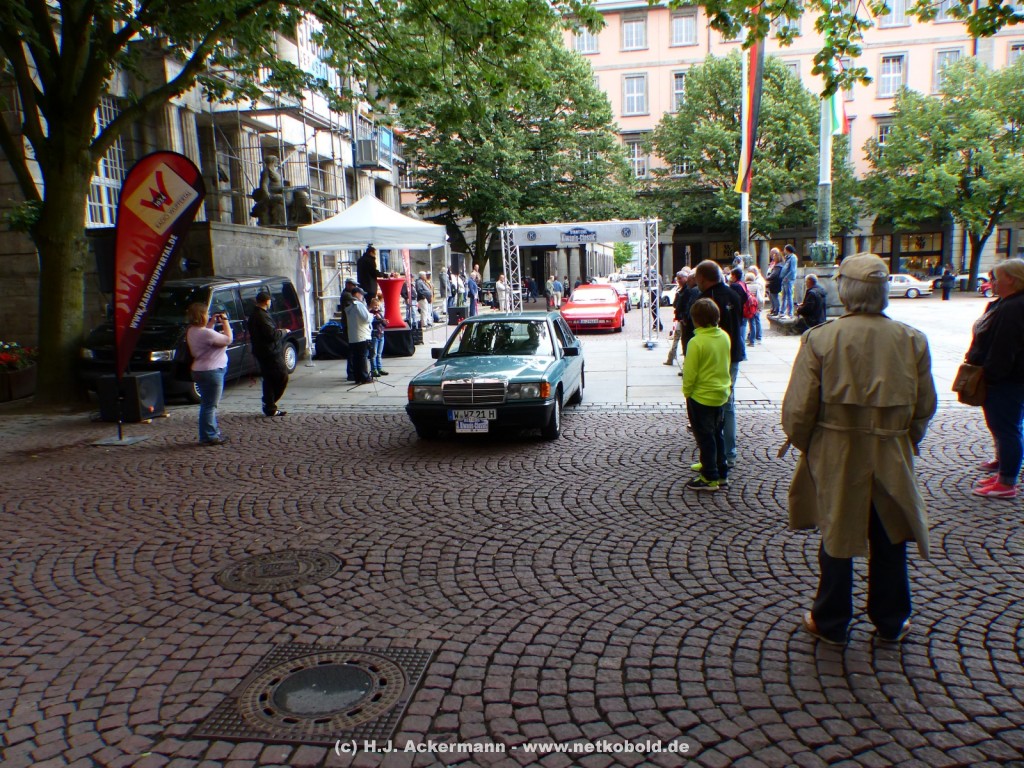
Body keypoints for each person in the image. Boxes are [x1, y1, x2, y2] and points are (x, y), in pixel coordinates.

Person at [783, 253, 937, 645]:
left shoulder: (821, 338)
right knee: (890, 533)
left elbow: (799, 409)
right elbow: (925, 406)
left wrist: (809, 444)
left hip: (838, 448)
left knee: (836, 531)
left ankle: (831, 619)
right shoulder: (912, 339)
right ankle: (891, 618)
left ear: (845, 291)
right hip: (890, 448)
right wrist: (905, 439)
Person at [964, 258, 1024, 498]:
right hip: (1006, 377)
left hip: (1007, 379)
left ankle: (1007, 482)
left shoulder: (1014, 307)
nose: (992, 282)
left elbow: (1004, 347)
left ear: (1012, 279)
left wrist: (990, 376)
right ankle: (1003, 471)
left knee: (1006, 428)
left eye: (996, 278)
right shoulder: (1005, 303)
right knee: (1003, 426)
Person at [694, 260, 745, 466]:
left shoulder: (706, 299)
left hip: (714, 358)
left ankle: (717, 457)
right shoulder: (734, 294)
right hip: (734, 354)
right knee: (728, 405)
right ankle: (728, 454)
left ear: (702, 278)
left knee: (711, 408)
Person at [683, 298, 733, 491]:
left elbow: (690, 372)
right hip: (720, 394)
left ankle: (709, 476)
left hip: (701, 396)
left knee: (705, 437)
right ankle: (721, 471)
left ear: (695, 320)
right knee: (717, 434)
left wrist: (687, 392)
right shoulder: (724, 337)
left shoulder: (696, 342)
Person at [185, 302, 233, 445]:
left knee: (206, 404)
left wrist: (211, 323)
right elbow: (228, 339)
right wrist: (225, 322)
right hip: (212, 371)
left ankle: (210, 433)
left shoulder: (192, 331)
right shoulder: (206, 333)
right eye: (207, 313)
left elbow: (207, 335)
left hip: (199, 370)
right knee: (210, 406)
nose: (208, 315)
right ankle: (209, 436)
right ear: (202, 316)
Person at [247, 290, 288, 418]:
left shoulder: (257, 314)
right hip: (270, 352)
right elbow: (271, 335)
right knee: (281, 375)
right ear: (266, 301)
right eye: (269, 301)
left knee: (270, 379)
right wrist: (284, 332)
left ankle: (270, 406)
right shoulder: (261, 316)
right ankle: (269, 403)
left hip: (264, 351)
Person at [344, 286, 373, 385]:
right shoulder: (358, 305)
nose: (363, 297)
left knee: (356, 358)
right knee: (362, 358)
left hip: (353, 336)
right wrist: (371, 315)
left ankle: (358, 377)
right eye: (362, 295)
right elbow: (366, 318)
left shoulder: (349, 306)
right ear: (357, 294)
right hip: (362, 335)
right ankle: (364, 377)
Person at [664, 269, 691, 367]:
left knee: (682, 339)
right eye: (678, 279)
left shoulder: (686, 290)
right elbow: (676, 304)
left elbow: (682, 305)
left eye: (680, 278)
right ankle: (671, 358)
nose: (678, 280)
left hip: (683, 319)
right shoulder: (682, 289)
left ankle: (674, 359)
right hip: (681, 318)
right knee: (678, 338)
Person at [728, 267, 751, 349]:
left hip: (738, 311)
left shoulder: (734, 286)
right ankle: (743, 350)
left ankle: (742, 351)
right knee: (742, 331)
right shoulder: (743, 284)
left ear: (734, 276)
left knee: (738, 334)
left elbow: (732, 299)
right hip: (745, 309)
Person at [368, 296, 389, 377]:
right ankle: (374, 369)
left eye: (377, 305)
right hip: (374, 335)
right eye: (375, 305)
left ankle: (379, 368)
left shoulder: (380, 313)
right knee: (374, 354)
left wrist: (384, 321)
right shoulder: (370, 314)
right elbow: (372, 323)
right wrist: (380, 319)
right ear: (371, 305)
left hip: (381, 335)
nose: (376, 307)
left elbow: (384, 323)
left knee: (379, 353)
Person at [745, 268, 765, 345]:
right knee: (755, 322)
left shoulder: (745, 286)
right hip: (755, 306)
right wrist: (760, 307)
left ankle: (750, 338)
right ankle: (754, 339)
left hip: (747, 307)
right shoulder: (757, 286)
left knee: (748, 323)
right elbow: (760, 298)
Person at [780, 244, 798, 318]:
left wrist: (786, 277)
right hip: (785, 279)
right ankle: (782, 311)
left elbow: (792, 270)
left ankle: (790, 312)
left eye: (785, 249)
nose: (784, 251)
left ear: (787, 250)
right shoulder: (788, 257)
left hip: (788, 279)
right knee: (784, 296)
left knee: (789, 296)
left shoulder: (793, 257)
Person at [766, 249, 783, 317]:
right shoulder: (778, 265)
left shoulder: (778, 266)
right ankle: (774, 309)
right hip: (774, 283)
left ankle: (776, 310)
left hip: (775, 284)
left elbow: (774, 275)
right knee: (773, 297)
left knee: (774, 297)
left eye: (774, 257)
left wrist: (768, 277)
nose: (773, 258)